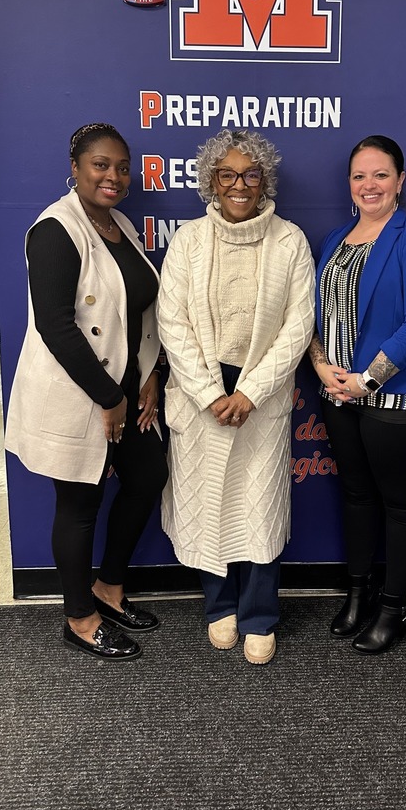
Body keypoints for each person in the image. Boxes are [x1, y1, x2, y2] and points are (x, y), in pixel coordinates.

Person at [5, 123, 168, 661]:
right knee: (79, 503)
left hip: (126, 386)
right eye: (101, 165)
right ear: (75, 167)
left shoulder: (119, 223)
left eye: (122, 167)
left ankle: (110, 588)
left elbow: (139, 313)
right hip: (81, 392)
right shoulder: (54, 229)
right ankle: (79, 616)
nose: (114, 176)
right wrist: (109, 397)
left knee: (148, 477)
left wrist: (149, 376)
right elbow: (57, 326)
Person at [157, 129, 315, 665]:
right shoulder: (189, 241)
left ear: (264, 179)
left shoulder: (289, 241)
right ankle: (217, 607)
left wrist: (248, 390)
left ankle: (259, 615)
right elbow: (171, 322)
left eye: (250, 174)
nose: (239, 184)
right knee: (209, 504)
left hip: (261, 396)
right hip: (201, 393)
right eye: (227, 174)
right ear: (212, 181)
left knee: (259, 506)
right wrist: (208, 392)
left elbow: (299, 325)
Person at [309, 135, 406, 654]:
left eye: (381, 174)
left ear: (400, 181)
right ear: (349, 184)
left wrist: (367, 380)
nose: (370, 185)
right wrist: (322, 368)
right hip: (338, 395)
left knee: (401, 505)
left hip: (398, 398)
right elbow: (315, 316)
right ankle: (358, 592)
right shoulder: (335, 240)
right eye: (360, 176)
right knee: (357, 497)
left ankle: (395, 605)